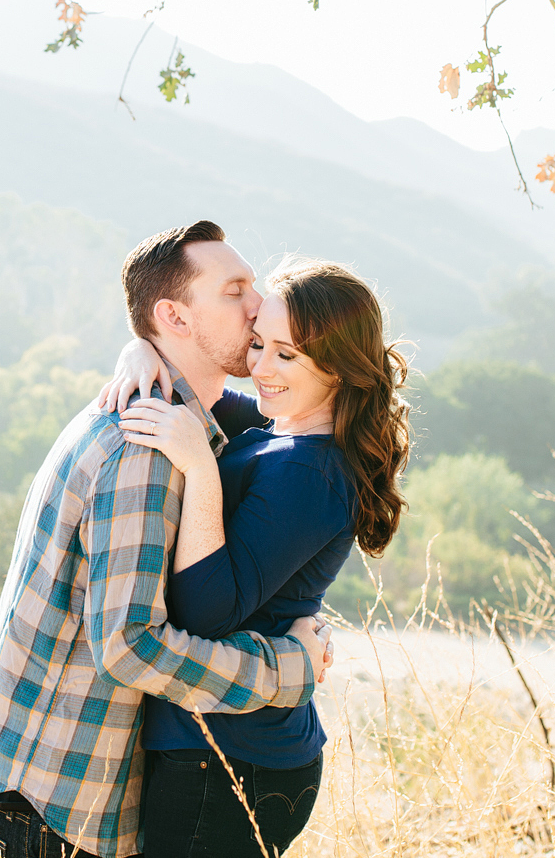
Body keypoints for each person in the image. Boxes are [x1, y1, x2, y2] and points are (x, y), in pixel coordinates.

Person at [0, 221, 335, 858]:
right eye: (235, 291)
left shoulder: (173, 417)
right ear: (175, 318)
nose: (258, 306)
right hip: (50, 816)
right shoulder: (146, 450)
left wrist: (139, 346)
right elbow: (131, 648)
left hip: (46, 795)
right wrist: (285, 669)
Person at [108, 258, 412, 858]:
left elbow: (205, 613)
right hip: (224, 748)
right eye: (258, 344)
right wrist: (140, 351)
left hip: (233, 763)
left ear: (339, 367)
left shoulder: (309, 471)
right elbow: (198, 398)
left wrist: (199, 468)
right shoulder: (283, 432)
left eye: (286, 355)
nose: (260, 369)